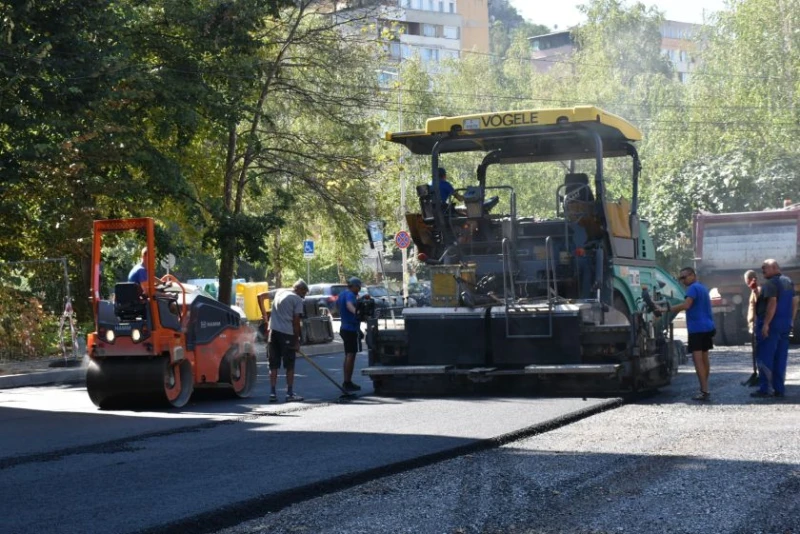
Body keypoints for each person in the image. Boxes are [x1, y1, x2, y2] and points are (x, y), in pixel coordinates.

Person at [664, 267, 715, 401]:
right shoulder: (703, 288)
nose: (682, 280)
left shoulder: (692, 289)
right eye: (681, 278)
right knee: (705, 358)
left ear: (693, 275)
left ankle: (704, 391)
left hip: (697, 329)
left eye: (684, 277)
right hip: (708, 327)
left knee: (697, 360)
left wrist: (667, 309)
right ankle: (705, 386)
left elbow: (686, 305)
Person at [751, 259, 796, 398]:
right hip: (785, 324)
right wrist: (791, 321)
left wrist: (766, 324)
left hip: (772, 324)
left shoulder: (771, 283)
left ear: (775, 267)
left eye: (765, 268)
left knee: (765, 356)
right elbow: (795, 301)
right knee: (780, 358)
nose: (762, 270)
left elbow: (772, 303)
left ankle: (766, 389)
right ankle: (779, 388)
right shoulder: (788, 281)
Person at [267, 279, 309, 403]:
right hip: (287, 334)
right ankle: (289, 393)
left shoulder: (279, 292)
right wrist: (296, 340)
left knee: (273, 364)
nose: (304, 295)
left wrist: (265, 316)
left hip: (273, 333)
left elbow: (261, 296)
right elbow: (296, 322)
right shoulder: (297, 300)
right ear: (299, 289)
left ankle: (272, 393)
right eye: (304, 292)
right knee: (289, 365)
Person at [337, 277, 363, 392]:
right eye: (359, 287)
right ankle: (347, 382)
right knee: (350, 355)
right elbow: (349, 306)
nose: (359, 290)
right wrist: (358, 314)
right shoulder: (350, 295)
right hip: (349, 329)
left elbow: (337, 308)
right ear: (355, 286)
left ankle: (347, 381)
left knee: (349, 354)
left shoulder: (341, 294)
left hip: (345, 327)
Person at [742, 269, 759, 386]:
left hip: (756, 324)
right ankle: (756, 373)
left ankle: (760, 376)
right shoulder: (754, 290)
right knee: (755, 352)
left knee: (759, 352)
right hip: (753, 324)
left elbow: (759, 306)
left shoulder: (756, 290)